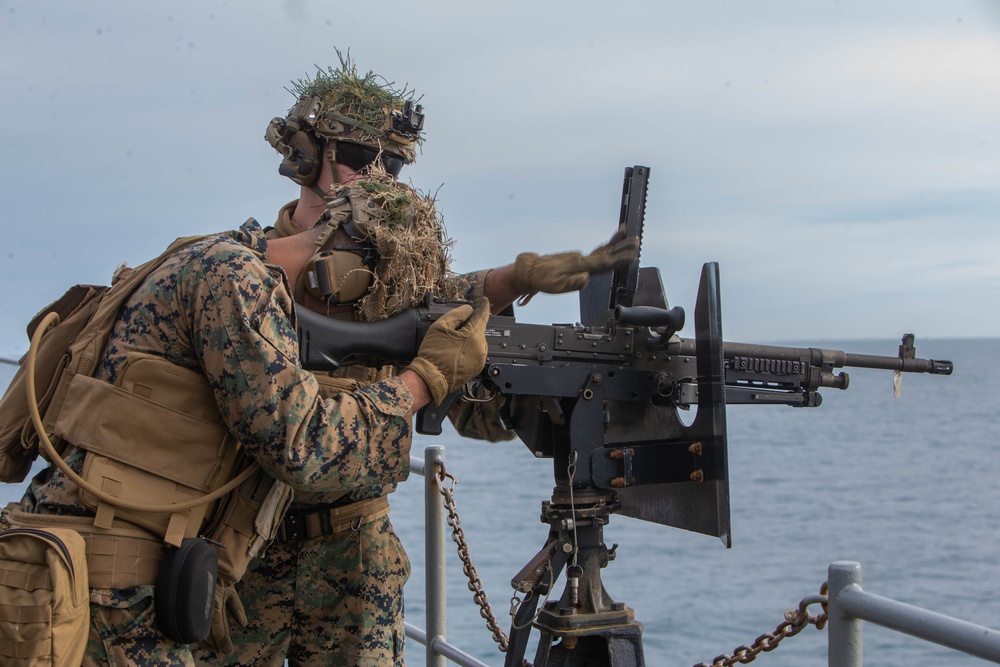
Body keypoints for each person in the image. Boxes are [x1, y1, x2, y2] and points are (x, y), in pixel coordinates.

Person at [195, 55, 638, 666]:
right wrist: (422, 380)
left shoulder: (398, 277)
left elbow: (455, 358)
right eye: (356, 156)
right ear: (304, 154)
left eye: (393, 164)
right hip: (244, 551)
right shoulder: (240, 272)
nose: (375, 177)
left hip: (356, 559)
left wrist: (515, 282)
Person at [0, 205, 491, 666]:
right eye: (376, 290)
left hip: (86, 571)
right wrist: (423, 380)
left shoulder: (205, 254)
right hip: (109, 589)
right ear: (347, 262)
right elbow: (301, 446)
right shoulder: (233, 278)